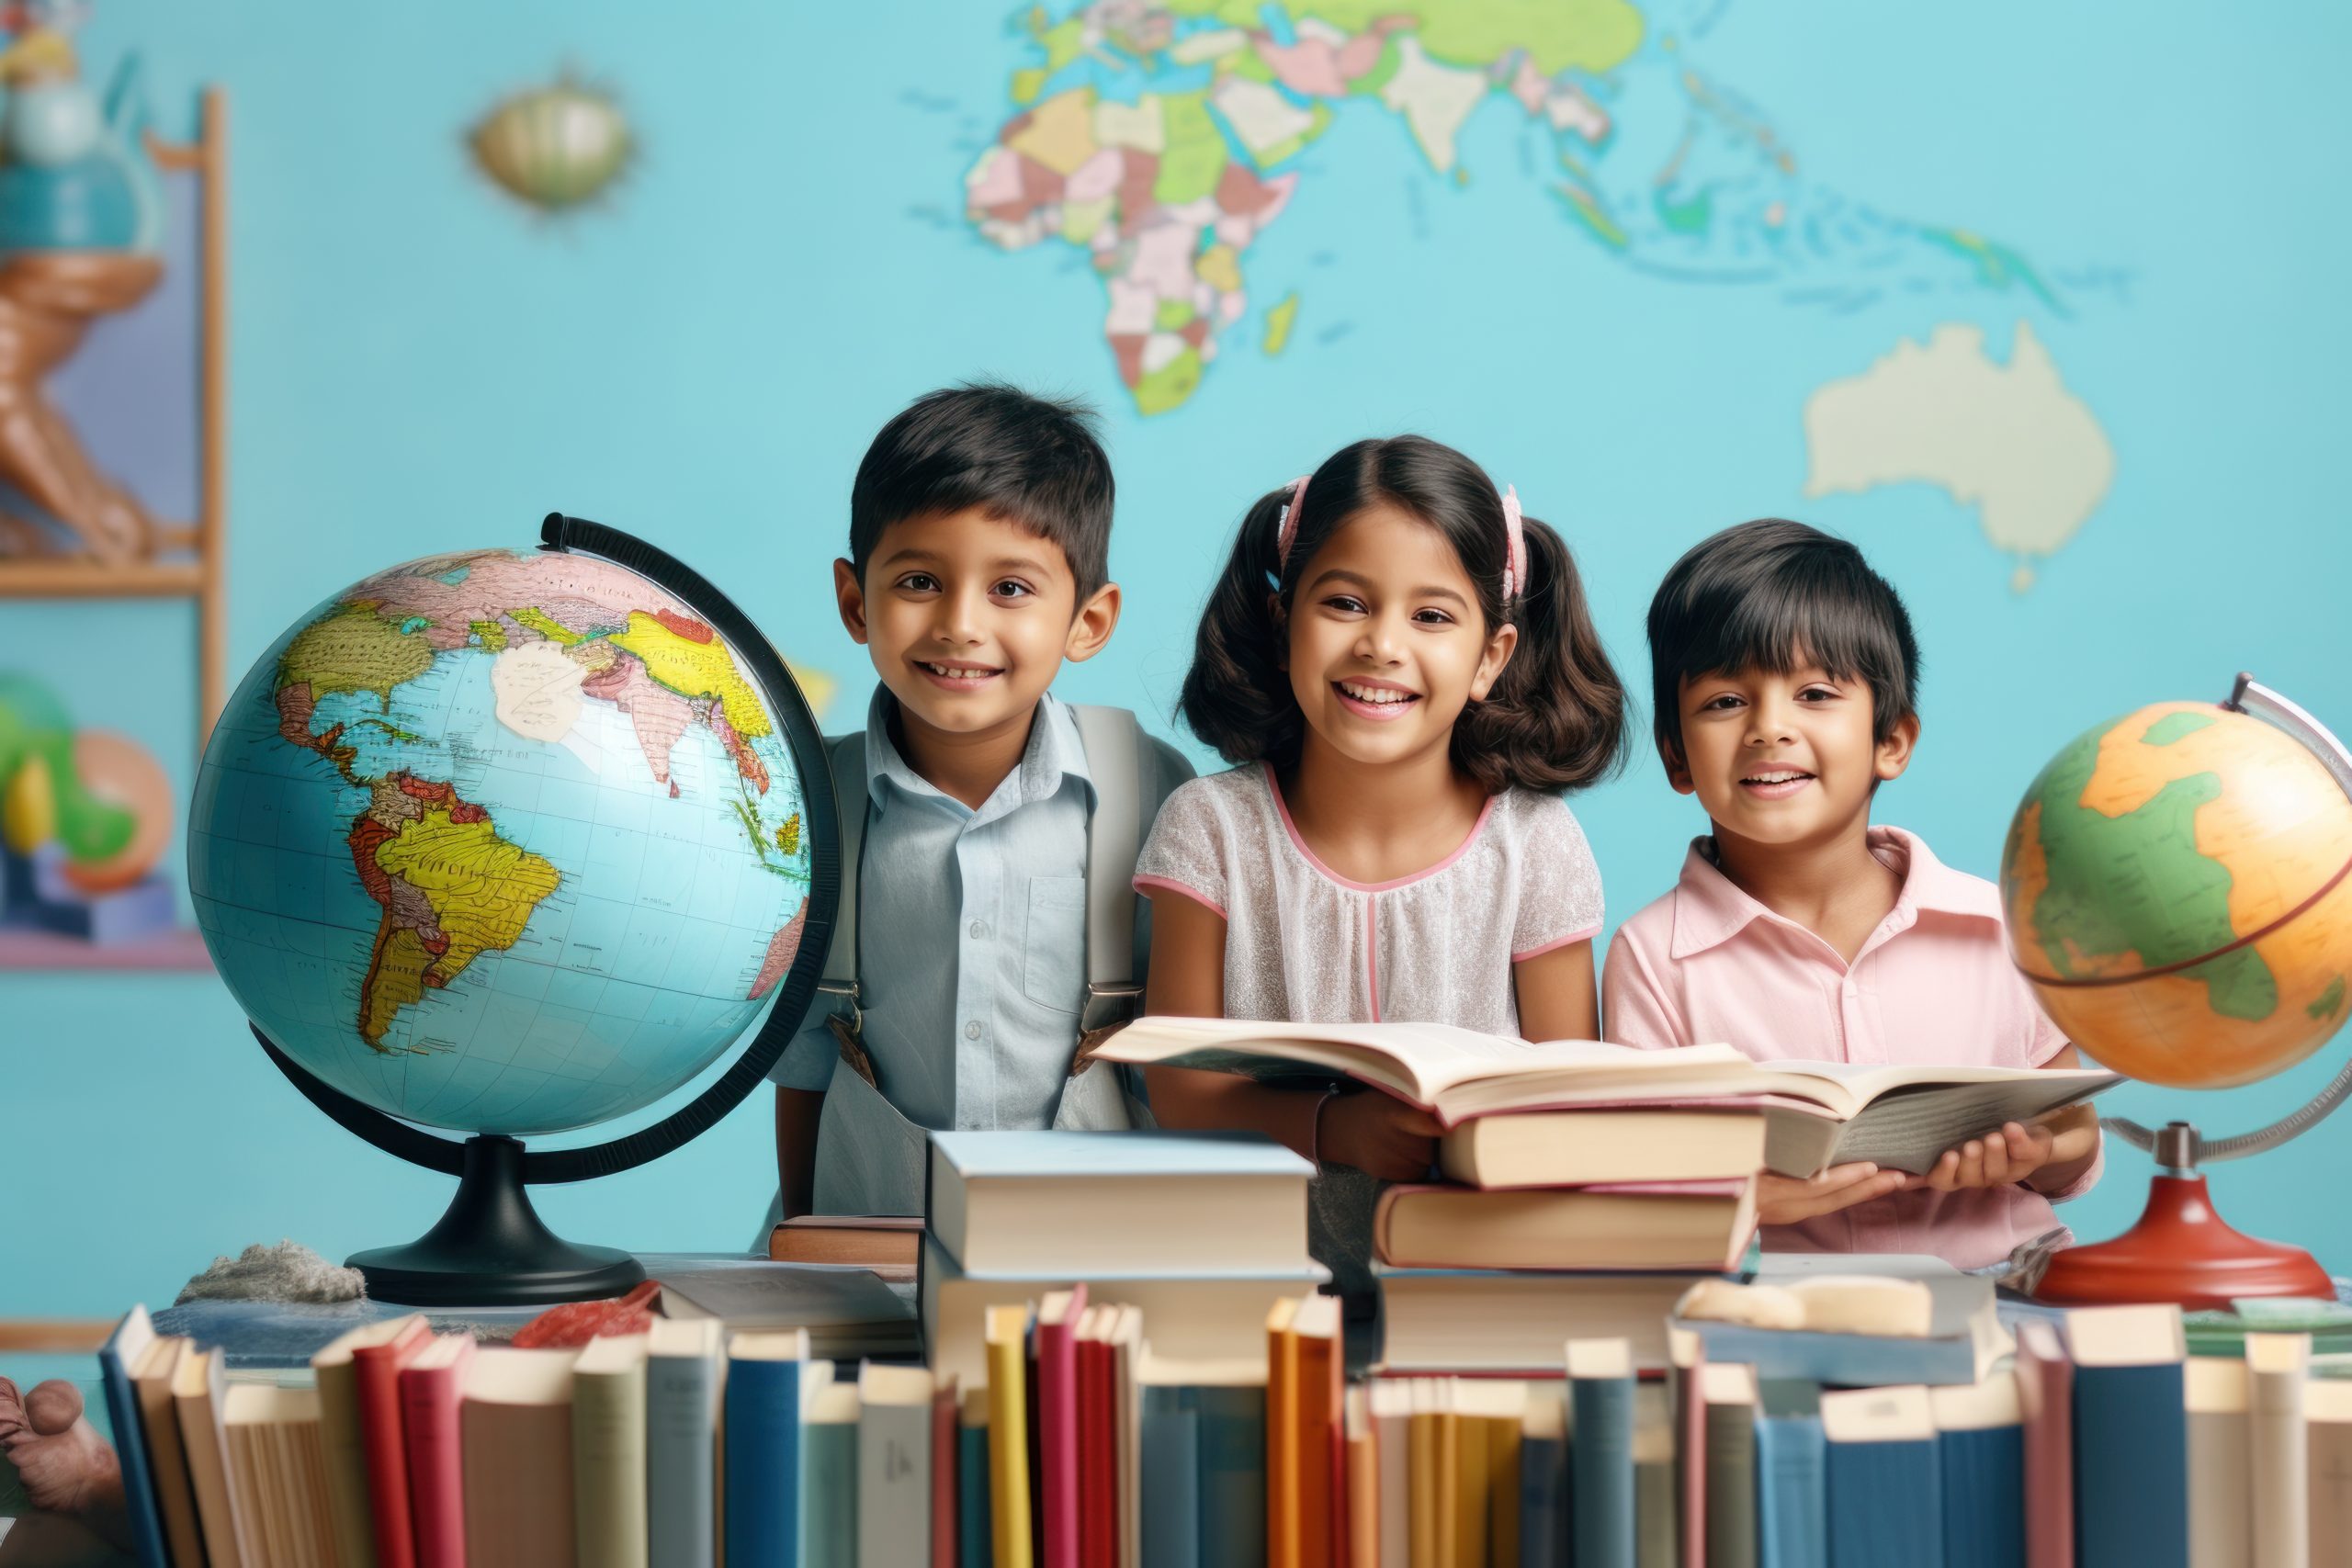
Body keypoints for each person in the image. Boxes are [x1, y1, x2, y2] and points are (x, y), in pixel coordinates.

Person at [1131, 434, 1627, 1292]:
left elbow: (1562, 1100)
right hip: (1249, 1288)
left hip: (1468, 1288)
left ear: (1491, 658)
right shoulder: (1209, 827)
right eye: (1346, 603)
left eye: (1431, 616)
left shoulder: (1535, 843)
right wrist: (1339, 1129)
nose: (1382, 645)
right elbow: (1181, 1092)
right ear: (1284, 619)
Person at [1602, 518, 2100, 1268]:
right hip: (1782, 1308)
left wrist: (2033, 1150)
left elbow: (2077, 1138)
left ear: (1890, 742)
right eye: (1725, 702)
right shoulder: (1652, 957)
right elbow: (1644, 1182)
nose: (1770, 728)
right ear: (1677, 756)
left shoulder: (1996, 925)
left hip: (2006, 1286)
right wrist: (1746, 1195)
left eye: (1813, 693)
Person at [767, 382, 1191, 1222]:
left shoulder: (1150, 790)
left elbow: (1183, 1062)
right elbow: (807, 1061)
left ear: (1089, 619)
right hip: (870, 1261)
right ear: (856, 602)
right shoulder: (810, 804)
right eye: (920, 580)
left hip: (1095, 1267)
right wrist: (805, 1240)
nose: (961, 624)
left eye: (1011, 589)